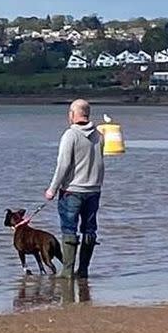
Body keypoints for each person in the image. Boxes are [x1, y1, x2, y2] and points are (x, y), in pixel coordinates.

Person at [45, 99, 105, 279]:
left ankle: (68, 271)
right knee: (89, 229)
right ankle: (83, 270)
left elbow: (63, 165)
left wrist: (52, 189)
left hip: (72, 190)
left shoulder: (70, 135)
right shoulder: (99, 134)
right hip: (93, 189)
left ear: (72, 114)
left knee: (69, 229)